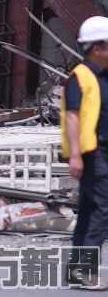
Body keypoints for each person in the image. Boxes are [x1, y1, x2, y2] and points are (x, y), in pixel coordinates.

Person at [62, 16, 108, 287]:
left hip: (103, 152)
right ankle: (84, 271)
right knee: (103, 210)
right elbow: (73, 117)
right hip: (94, 154)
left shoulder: (102, 77)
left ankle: (77, 271)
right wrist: (76, 155)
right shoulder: (80, 77)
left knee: (91, 211)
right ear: (98, 48)